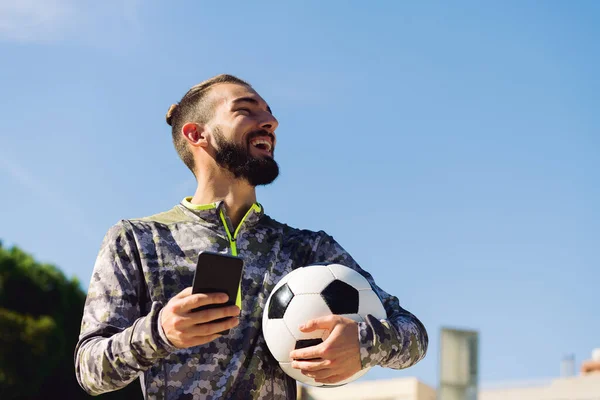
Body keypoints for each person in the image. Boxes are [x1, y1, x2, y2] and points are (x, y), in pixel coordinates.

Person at [75, 74, 428, 400]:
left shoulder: (307, 249)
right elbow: (90, 370)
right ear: (197, 135)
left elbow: (413, 333)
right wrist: (160, 332)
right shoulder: (136, 240)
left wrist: (365, 342)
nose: (271, 122)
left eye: (270, 114)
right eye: (245, 110)